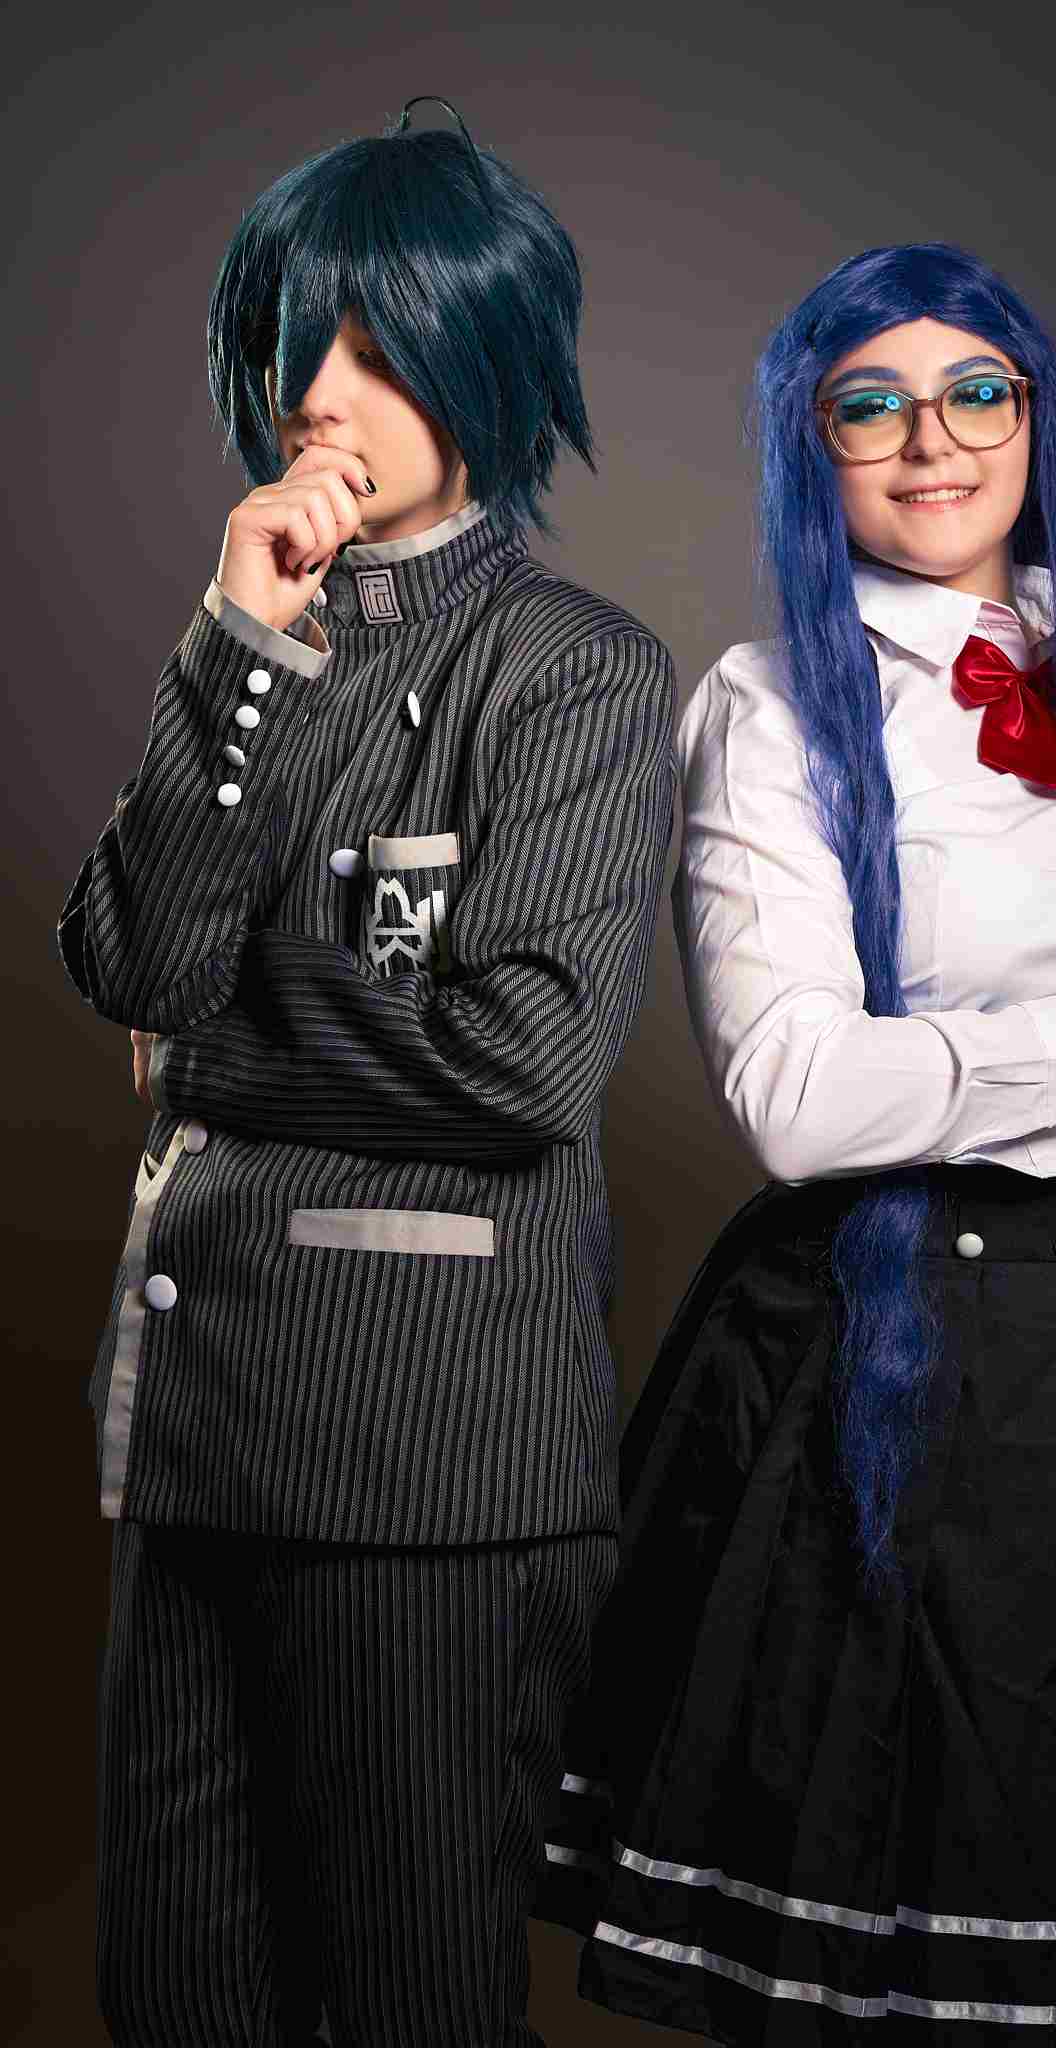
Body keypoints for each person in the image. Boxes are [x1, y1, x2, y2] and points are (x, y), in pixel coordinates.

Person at [530, 242, 1056, 2047]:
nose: (933, 441)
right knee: (900, 1919)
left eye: (976, 390)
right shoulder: (765, 704)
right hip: (880, 1354)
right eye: (871, 404)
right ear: (809, 444)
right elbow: (796, 1096)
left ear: (1034, 419)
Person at [57, 97, 676, 2047]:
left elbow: (521, 1058)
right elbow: (123, 956)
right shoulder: (251, 633)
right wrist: (235, 633)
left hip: (427, 1472)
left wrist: (208, 1046)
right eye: (293, 340)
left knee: (412, 1999)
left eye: (381, 346)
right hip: (191, 1444)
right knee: (175, 1995)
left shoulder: (570, 670)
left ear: (487, 361)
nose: (320, 394)